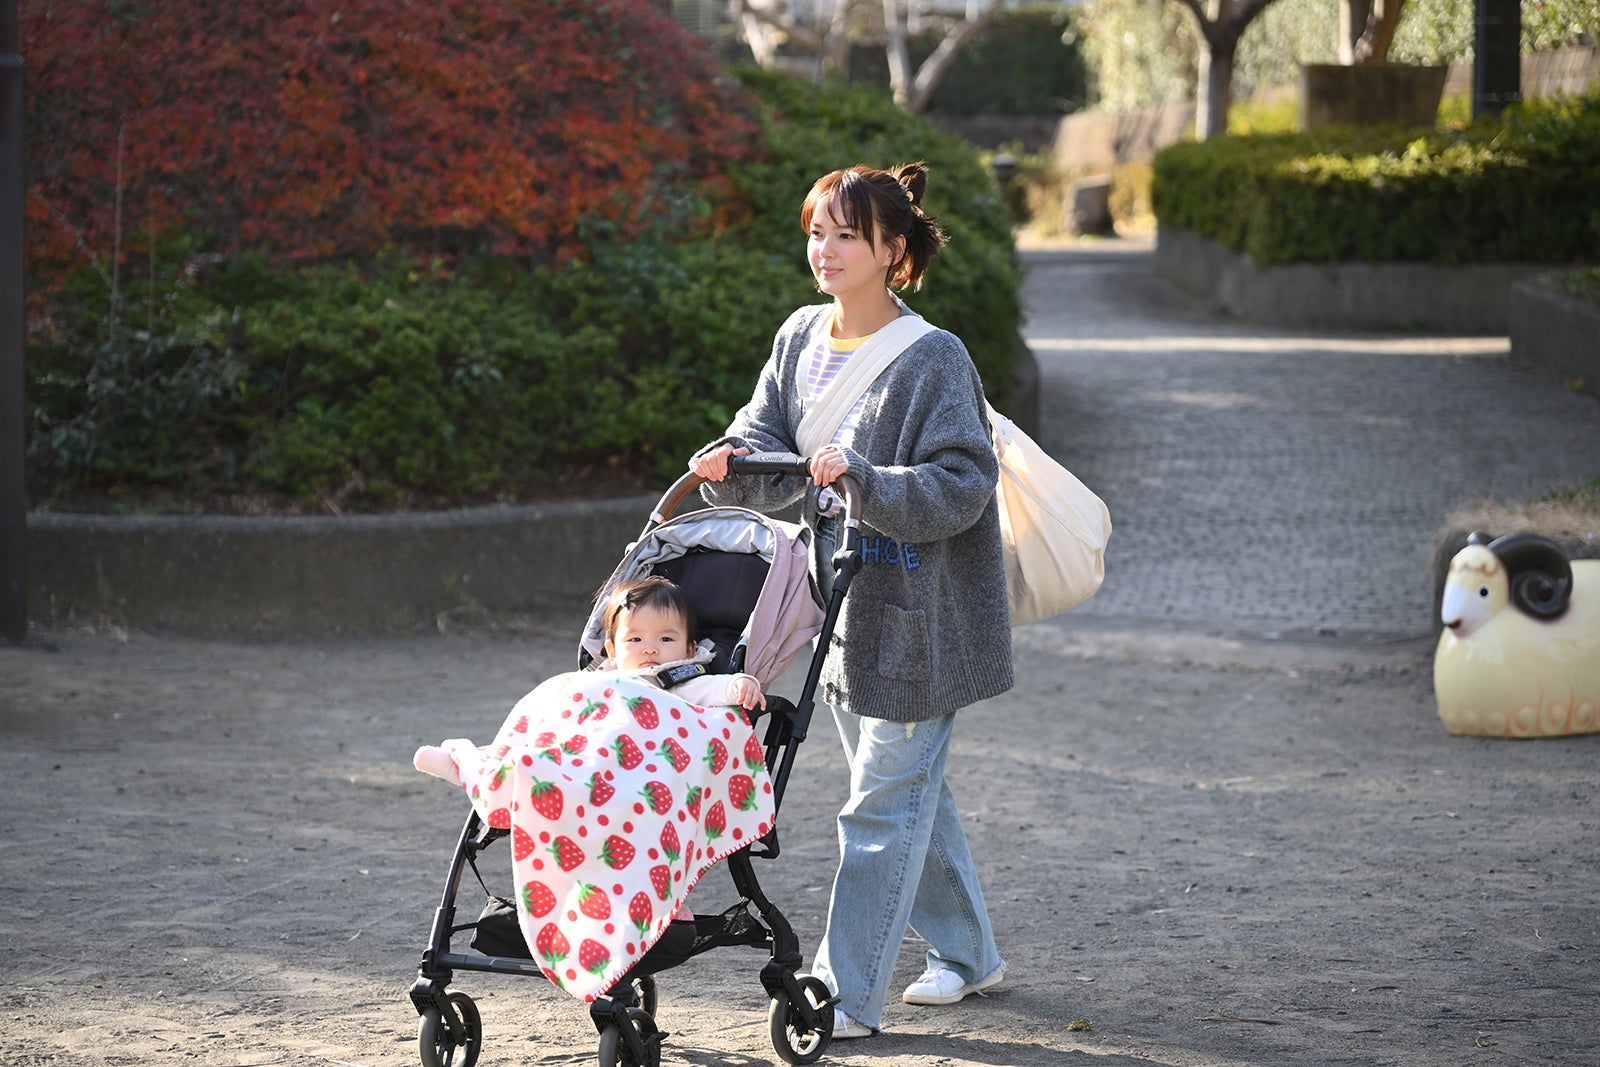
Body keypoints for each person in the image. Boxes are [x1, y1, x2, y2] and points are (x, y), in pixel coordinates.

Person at [689, 162, 1011, 1039]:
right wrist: (729, 457)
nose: (823, 250)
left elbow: (964, 483)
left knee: (879, 805)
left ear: (891, 250)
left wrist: (866, 479)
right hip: (837, 615)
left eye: (844, 235)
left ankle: (843, 991)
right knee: (913, 799)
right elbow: (764, 434)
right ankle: (972, 954)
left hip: (922, 620)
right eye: (816, 231)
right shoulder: (799, 336)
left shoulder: (934, 357)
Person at [414, 576, 765, 786]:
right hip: (579, 743)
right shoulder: (605, 676)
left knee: (558, 765)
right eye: (636, 640)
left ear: (690, 648)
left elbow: (712, 688)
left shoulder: (679, 678)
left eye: (666, 640)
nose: (651, 650)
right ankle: (483, 763)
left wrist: (738, 683)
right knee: (551, 701)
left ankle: (492, 771)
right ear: (611, 648)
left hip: (625, 766)